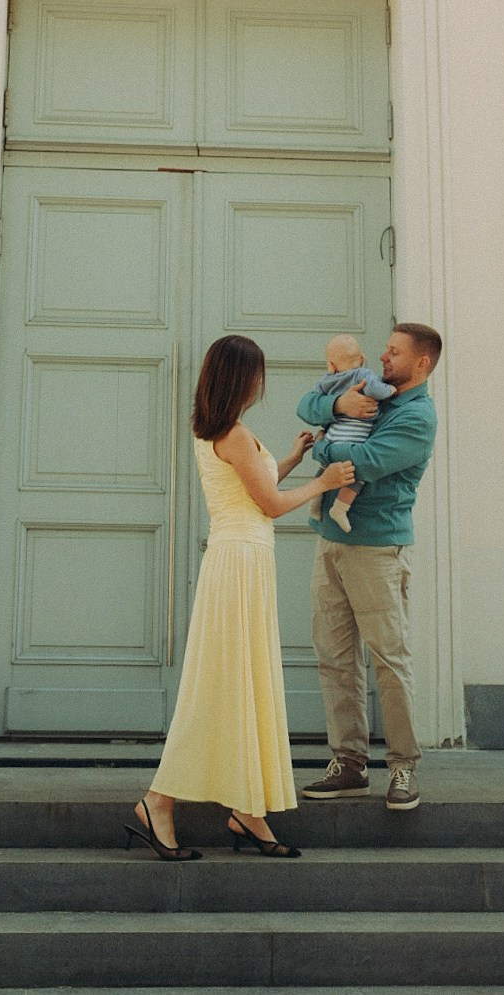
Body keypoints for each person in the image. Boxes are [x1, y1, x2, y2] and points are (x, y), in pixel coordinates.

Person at [125, 334, 347, 861]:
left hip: (241, 560)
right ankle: (158, 801)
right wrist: (325, 483)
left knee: (241, 683)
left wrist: (292, 457)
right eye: (256, 374)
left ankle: (247, 811)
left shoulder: (219, 431)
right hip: (239, 563)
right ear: (243, 378)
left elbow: (255, 490)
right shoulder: (235, 434)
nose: (260, 382)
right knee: (224, 683)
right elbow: (268, 505)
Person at [297, 323, 441, 812]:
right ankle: (349, 764)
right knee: (334, 657)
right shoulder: (361, 389)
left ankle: (402, 765)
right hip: (331, 543)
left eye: (394, 352)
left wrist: (320, 449)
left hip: (378, 549)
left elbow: (366, 459)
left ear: (421, 363)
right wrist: (337, 407)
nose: (383, 357)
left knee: (388, 659)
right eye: (385, 349)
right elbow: (311, 405)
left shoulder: (417, 416)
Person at [306, 334, 395, 533]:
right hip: (354, 437)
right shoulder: (363, 375)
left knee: (324, 470)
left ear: (331, 365)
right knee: (355, 476)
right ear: (362, 359)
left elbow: (311, 399)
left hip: (334, 435)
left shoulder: (327, 380)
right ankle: (340, 508)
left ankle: (314, 500)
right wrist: (390, 390)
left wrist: (332, 404)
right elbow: (376, 390)